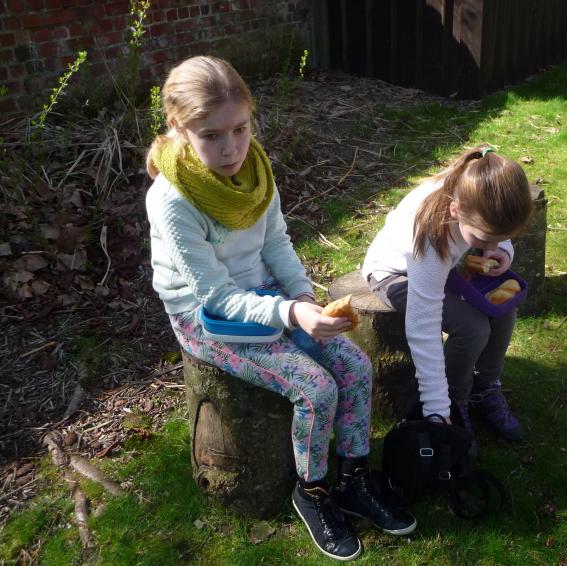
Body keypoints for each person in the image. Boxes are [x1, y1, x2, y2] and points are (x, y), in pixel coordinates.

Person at [144, 55, 414, 562]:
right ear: (180, 129)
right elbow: (217, 298)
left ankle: (354, 478)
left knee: (354, 365)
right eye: (212, 136)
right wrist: (293, 317)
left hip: (269, 294)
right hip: (205, 319)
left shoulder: (256, 170)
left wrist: (305, 299)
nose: (231, 149)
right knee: (315, 389)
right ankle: (311, 492)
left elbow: (278, 246)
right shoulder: (172, 200)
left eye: (241, 129)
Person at [362, 147, 533, 453]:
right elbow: (422, 326)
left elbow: (496, 232)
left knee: (504, 310)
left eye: (499, 238)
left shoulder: (477, 187)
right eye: (484, 240)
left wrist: (503, 251)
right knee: (473, 328)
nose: (489, 246)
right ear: (455, 211)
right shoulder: (431, 237)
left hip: (447, 268)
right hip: (396, 274)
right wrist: (436, 409)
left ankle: (485, 387)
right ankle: (455, 400)